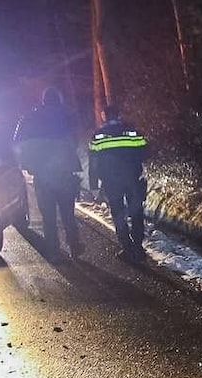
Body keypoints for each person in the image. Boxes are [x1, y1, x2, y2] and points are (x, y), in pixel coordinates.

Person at [13, 87, 84, 260]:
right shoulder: (67, 117)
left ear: (43, 100)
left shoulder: (29, 118)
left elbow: (17, 142)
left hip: (42, 174)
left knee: (48, 216)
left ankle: (53, 250)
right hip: (64, 173)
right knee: (68, 213)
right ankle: (74, 245)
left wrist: (28, 161)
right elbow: (74, 140)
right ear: (58, 100)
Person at [88, 103, 149, 262]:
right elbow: (145, 151)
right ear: (118, 115)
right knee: (136, 211)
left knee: (118, 213)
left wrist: (93, 185)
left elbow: (93, 162)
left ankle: (126, 247)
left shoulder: (98, 135)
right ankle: (138, 246)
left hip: (111, 181)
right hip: (132, 178)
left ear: (104, 116)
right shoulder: (132, 131)